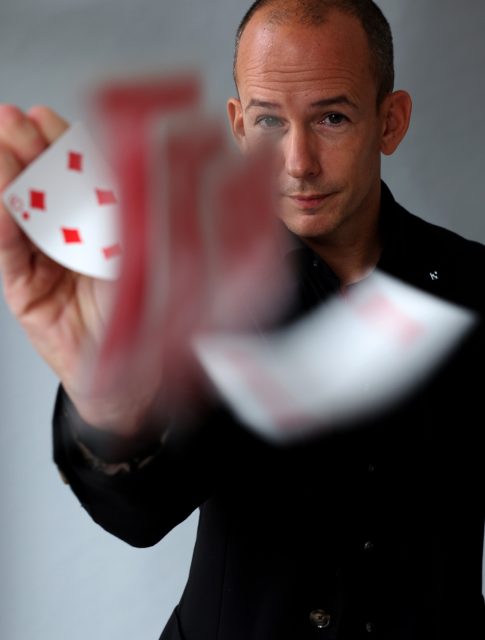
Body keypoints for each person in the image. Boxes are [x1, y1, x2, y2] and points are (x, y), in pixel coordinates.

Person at [1, 1, 484, 638]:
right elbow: (141, 515)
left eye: (332, 117)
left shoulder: (476, 285)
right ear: (236, 124)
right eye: (268, 122)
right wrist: (107, 399)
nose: (298, 162)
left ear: (389, 121)